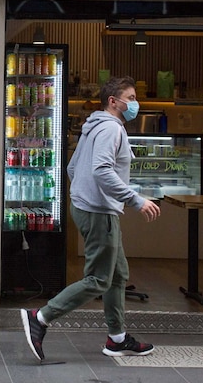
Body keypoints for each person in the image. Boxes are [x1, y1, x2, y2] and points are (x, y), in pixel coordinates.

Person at [20, 76, 161, 361]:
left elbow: (73, 168)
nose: (135, 103)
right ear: (114, 101)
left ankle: (117, 338)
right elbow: (101, 170)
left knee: (117, 274)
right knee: (99, 278)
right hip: (99, 211)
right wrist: (134, 199)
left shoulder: (93, 126)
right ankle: (42, 316)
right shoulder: (111, 130)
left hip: (89, 206)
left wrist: (86, 195)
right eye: (131, 98)